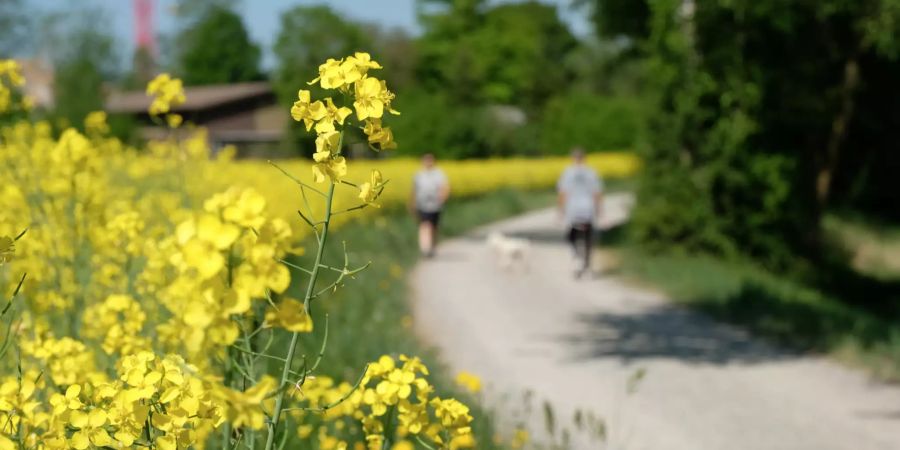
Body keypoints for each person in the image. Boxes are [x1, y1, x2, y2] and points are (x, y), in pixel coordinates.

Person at [557, 147, 603, 277]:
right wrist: (599, 210)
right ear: (584, 158)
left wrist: (560, 211)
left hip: (573, 210)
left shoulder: (567, 173)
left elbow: (562, 193)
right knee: (588, 237)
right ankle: (587, 264)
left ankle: (576, 257)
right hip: (588, 209)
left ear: (573, 158)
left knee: (572, 236)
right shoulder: (591, 172)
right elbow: (597, 193)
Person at [411, 153, 449, 257]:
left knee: (434, 227)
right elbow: (414, 190)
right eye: (426, 160)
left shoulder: (439, 174)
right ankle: (425, 249)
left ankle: (432, 246)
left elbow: (445, 187)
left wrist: (443, 197)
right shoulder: (418, 175)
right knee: (425, 225)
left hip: (435, 205)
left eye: (430, 160)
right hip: (422, 205)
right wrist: (412, 203)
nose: (428, 162)